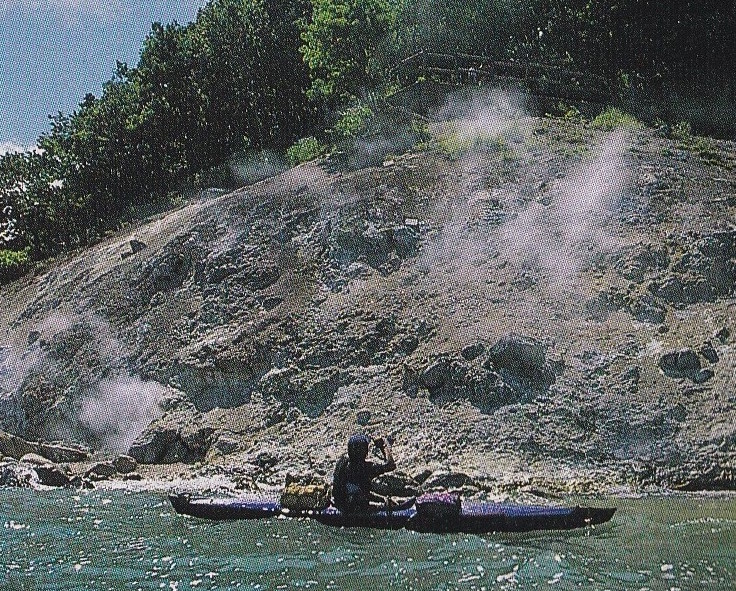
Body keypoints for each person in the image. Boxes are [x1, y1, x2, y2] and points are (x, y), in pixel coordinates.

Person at [332, 433, 396, 513]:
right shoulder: (366, 468)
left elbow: (359, 490)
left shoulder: (341, 462)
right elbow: (391, 465)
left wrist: (382, 499)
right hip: (355, 509)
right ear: (364, 452)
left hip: (341, 505)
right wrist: (384, 446)